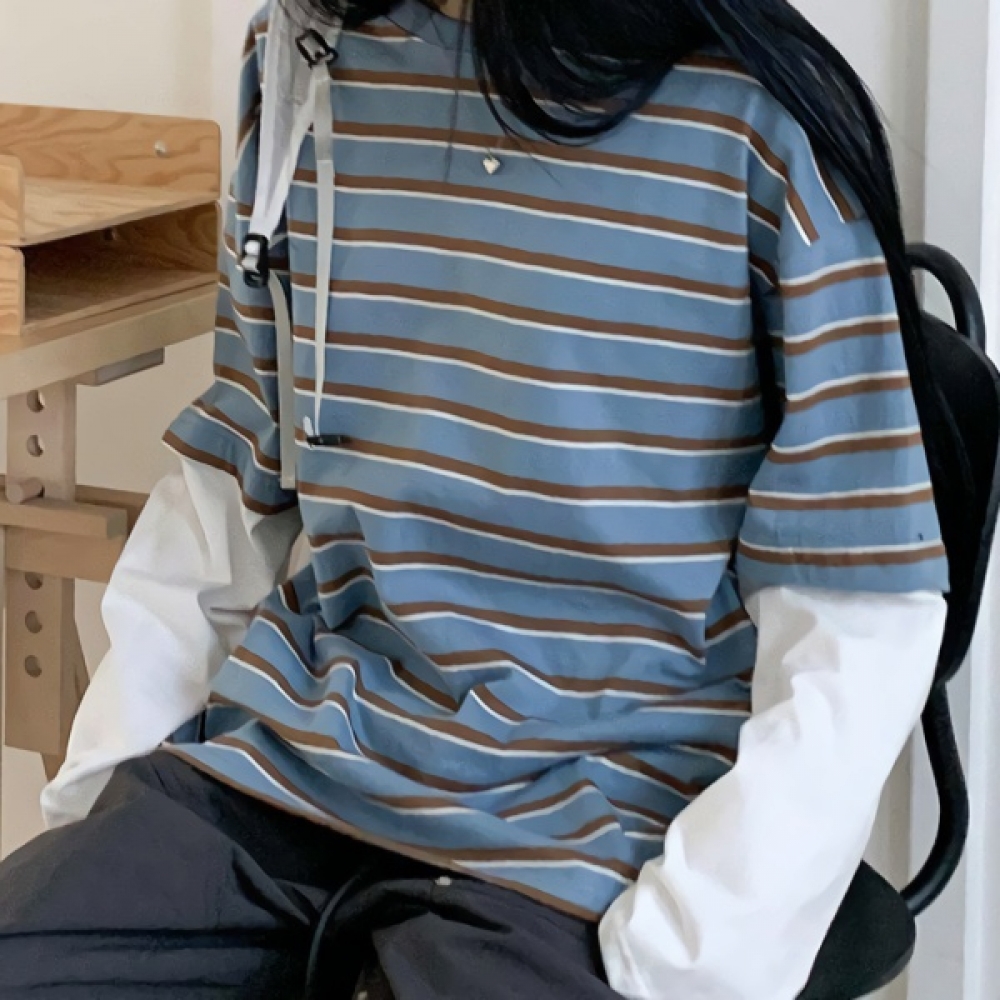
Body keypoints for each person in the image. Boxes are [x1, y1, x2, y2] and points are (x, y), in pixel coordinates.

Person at [0, 0, 950, 997]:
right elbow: (232, 483)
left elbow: (859, 614)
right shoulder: (303, 59)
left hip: (603, 827)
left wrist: (681, 953)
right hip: (289, 772)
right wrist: (97, 804)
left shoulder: (757, 119)